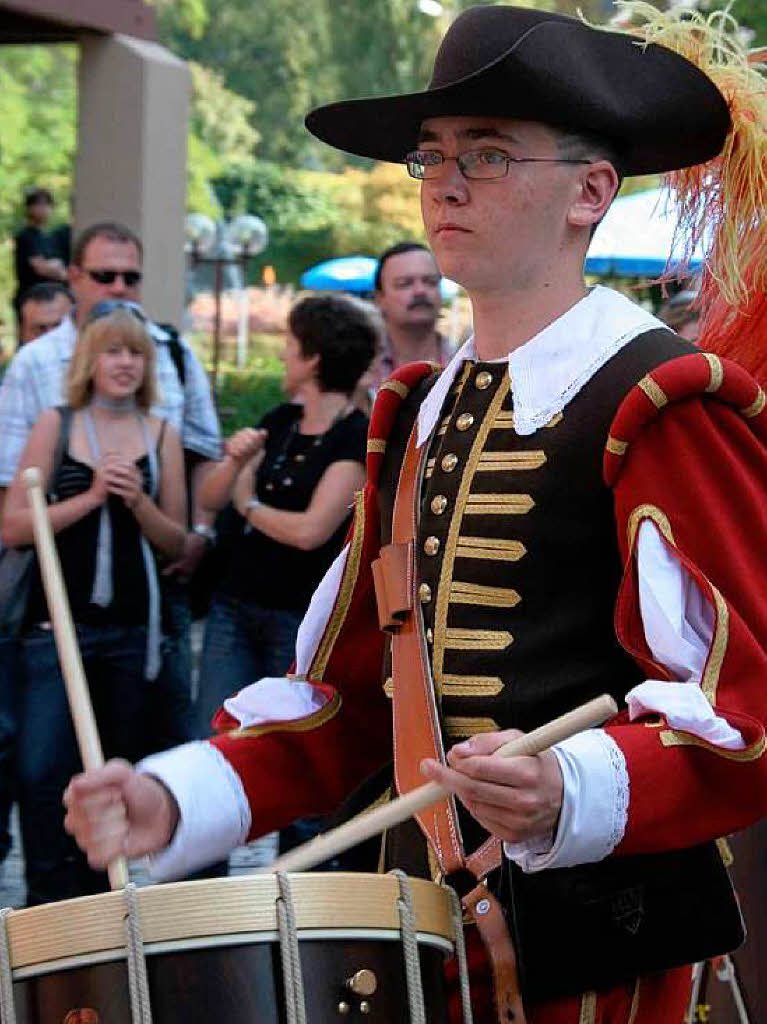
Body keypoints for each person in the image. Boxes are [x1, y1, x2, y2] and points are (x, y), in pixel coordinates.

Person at [64, 6, 767, 1023]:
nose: (443, 181)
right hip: (421, 950)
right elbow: (349, 694)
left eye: (485, 156)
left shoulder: (660, 399)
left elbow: (745, 708)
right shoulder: (417, 412)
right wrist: (176, 798)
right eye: (431, 156)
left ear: (589, 190)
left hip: (605, 969)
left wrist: (574, 787)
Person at [0, 221, 221, 744]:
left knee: (141, 744)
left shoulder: (171, 351)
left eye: (131, 277)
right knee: (43, 759)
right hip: (54, 596)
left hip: (150, 593)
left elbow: (202, 450)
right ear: (74, 276)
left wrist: (200, 535)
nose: (119, 287)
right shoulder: (35, 364)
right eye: (105, 275)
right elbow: (11, 481)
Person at [2, 303, 186, 904]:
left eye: (135, 352)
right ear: (89, 360)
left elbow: (180, 545)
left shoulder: (161, 433)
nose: (125, 363)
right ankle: (45, 914)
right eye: (112, 350)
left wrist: (136, 503)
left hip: (135, 637)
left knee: (117, 779)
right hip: (55, 634)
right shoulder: (57, 423)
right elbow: (13, 527)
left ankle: (104, 912)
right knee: (41, 775)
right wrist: (91, 498)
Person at [196, 294, 375, 741]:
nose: (281, 354)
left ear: (313, 359)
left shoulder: (354, 438)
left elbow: (310, 533)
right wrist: (235, 464)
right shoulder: (280, 420)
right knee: (216, 736)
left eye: (290, 345)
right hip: (235, 606)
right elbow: (209, 497)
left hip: (296, 622)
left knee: (281, 745)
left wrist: (249, 506)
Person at [13, 188, 68, 333]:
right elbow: (40, 267)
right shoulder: (26, 236)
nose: (43, 209)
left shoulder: (49, 238)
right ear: (29, 208)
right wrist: (61, 272)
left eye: (47, 205)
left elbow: (58, 264)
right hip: (30, 298)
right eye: (38, 205)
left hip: (51, 298)